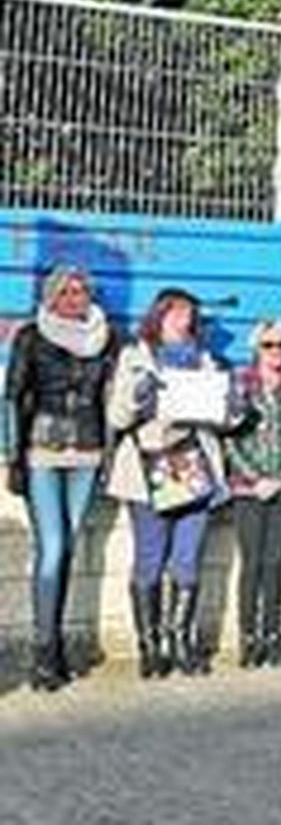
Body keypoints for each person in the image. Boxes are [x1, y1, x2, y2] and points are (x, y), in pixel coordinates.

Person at [106, 288, 234, 679]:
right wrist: (138, 396)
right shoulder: (134, 356)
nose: (184, 320)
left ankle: (181, 641)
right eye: (176, 313)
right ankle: (149, 646)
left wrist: (231, 408)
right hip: (149, 468)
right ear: (158, 316)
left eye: (189, 314)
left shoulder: (207, 360)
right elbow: (116, 416)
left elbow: (222, 420)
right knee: (150, 556)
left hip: (194, 467)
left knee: (188, 558)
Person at [4, 266, 120, 691]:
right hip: (42, 452)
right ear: (51, 296)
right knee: (52, 547)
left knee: (69, 546)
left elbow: (112, 397)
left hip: (87, 452)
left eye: (82, 291)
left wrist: (110, 453)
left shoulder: (106, 337)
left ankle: (55, 644)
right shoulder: (32, 336)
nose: (76, 298)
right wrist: (12, 457)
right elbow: (13, 395)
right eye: (67, 292)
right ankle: (44, 650)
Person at [227, 320, 281, 669]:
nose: (276, 351)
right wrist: (256, 477)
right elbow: (230, 438)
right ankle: (248, 636)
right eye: (268, 345)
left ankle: (272, 633)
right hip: (248, 489)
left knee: (275, 563)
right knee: (251, 563)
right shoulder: (241, 384)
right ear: (256, 348)